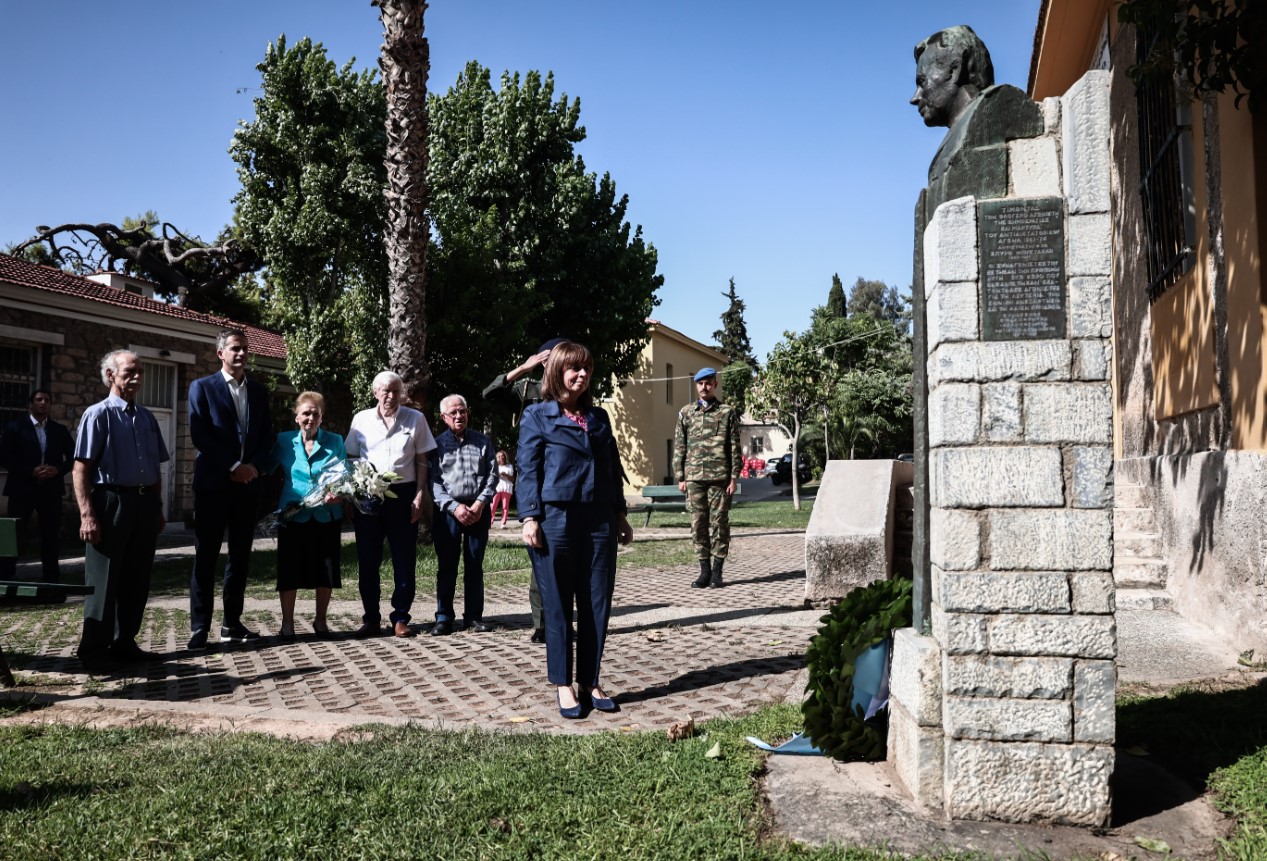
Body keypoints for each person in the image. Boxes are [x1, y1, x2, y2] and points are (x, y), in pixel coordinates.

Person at [518, 341, 633, 718]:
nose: (582, 374)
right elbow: (528, 469)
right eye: (574, 368)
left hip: (599, 519)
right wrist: (530, 516)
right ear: (556, 372)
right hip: (555, 520)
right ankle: (563, 684)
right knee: (557, 603)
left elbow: (612, 468)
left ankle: (590, 679)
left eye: (586, 368)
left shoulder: (599, 417)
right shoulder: (537, 416)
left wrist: (619, 513)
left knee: (597, 601)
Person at [72, 350, 169, 671]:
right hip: (111, 501)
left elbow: (155, 467)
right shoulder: (97, 415)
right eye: (130, 371)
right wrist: (87, 514)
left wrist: (157, 507)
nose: (138, 377)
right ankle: (93, 650)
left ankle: (124, 641)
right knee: (104, 579)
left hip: (143, 503)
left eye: (140, 371)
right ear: (111, 375)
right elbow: (80, 469)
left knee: (137, 577)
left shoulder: (147, 417)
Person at [187, 329, 275, 650]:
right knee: (205, 557)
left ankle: (232, 624)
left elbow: (267, 436)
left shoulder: (259, 392)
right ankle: (199, 628)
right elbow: (201, 435)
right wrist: (233, 466)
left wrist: (252, 467)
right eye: (235, 349)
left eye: (245, 349)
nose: (241, 354)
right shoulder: (202, 388)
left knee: (239, 557)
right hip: (213, 486)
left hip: (247, 487)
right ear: (221, 353)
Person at [483, 337, 564, 644]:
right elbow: (490, 394)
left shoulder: (575, 390)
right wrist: (523, 368)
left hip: (564, 477)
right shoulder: (528, 390)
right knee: (538, 552)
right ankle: (543, 624)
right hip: (535, 478)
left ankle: (560, 620)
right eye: (551, 357)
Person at [344, 370, 436, 638]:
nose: (391, 396)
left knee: (404, 558)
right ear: (375, 393)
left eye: (396, 391)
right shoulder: (360, 420)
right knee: (368, 559)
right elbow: (350, 460)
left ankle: (401, 618)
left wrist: (419, 494)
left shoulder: (416, 419)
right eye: (385, 391)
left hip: (403, 495)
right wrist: (351, 497)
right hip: (368, 496)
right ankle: (371, 618)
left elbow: (421, 460)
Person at [271, 392, 345, 641]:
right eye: (306, 413)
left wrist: (338, 493)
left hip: (326, 515)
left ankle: (321, 621)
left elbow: (343, 474)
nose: (310, 417)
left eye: (315, 413)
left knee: (326, 570)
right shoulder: (282, 441)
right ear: (296, 416)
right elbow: (265, 468)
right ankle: (287, 624)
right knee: (289, 570)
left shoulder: (335, 441)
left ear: (322, 416)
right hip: (293, 516)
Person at [428, 394, 498, 636]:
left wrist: (479, 504)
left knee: (474, 564)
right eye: (454, 412)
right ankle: (444, 617)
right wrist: (454, 507)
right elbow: (434, 483)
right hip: (448, 513)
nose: (459, 416)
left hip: (478, 510)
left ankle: (474, 617)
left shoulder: (483, 441)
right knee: (447, 565)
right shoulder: (436, 445)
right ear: (444, 417)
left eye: (463, 411)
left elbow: (492, 476)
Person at [674, 368, 742, 588]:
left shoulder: (727, 412)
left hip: (719, 477)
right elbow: (680, 446)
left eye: (708, 383)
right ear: (696, 386)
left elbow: (734, 447)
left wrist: (734, 477)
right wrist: (680, 476)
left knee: (719, 523)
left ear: (715, 385)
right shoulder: (686, 413)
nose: (704, 387)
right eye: (700, 383)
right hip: (693, 478)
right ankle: (704, 571)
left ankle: (717, 572)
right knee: (697, 524)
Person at [0, 389, 74, 583]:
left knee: (50, 534)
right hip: (21, 488)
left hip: (50, 490)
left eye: (47, 400)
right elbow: (4, 457)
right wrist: (29, 470)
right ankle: (6, 577)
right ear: (30, 404)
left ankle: (51, 578)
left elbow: (75, 457)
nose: (43, 403)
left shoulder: (59, 430)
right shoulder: (15, 427)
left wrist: (57, 470)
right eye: (39, 400)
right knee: (13, 533)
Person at [491, 450, 514, 528]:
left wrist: (506, 475)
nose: (501, 457)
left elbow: (512, 479)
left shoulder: (509, 466)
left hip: (507, 488)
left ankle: (503, 523)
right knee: (493, 505)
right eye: (499, 456)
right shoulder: (495, 466)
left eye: (502, 456)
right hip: (497, 488)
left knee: (505, 507)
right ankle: (490, 522)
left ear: (505, 456)